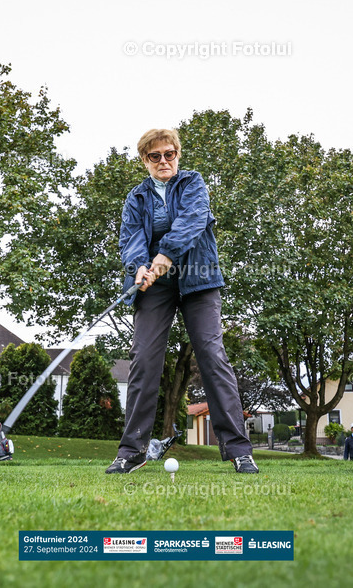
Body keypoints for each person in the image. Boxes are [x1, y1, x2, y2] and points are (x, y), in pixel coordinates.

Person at [105, 128, 257, 475]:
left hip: (198, 280)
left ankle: (238, 450)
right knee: (143, 361)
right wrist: (139, 266)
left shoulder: (193, 183)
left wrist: (166, 255)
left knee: (211, 355)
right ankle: (132, 451)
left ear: (177, 155)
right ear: (145, 160)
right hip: (153, 285)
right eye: (155, 156)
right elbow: (129, 238)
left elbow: (194, 219)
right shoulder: (136, 198)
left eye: (169, 154)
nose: (163, 161)